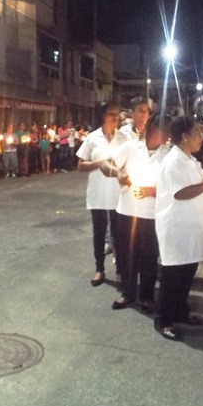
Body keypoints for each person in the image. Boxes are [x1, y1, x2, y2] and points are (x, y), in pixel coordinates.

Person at [154, 116, 203, 340]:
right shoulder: (173, 161)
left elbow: (201, 182)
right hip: (177, 227)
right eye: (197, 133)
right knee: (172, 277)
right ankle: (163, 320)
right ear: (184, 137)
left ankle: (180, 312)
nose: (201, 138)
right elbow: (180, 192)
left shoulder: (190, 160)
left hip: (191, 227)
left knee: (186, 274)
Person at [102, 112, 171, 314]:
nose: (169, 134)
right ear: (153, 128)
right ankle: (128, 292)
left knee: (149, 257)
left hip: (152, 215)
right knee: (127, 255)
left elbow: (173, 186)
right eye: (165, 129)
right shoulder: (131, 147)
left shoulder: (168, 154)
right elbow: (105, 163)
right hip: (127, 212)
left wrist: (153, 191)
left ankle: (147, 296)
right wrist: (118, 172)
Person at [76, 102, 123, 286]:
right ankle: (99, 269)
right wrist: (99, 163)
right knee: (99, 232)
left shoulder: (124, 138)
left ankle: (120, 269)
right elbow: (80, 166)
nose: (115, 117)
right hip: (97, 193)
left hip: (118, 193)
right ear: (103, 116)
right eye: (111, 113)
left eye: (117, 114)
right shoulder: (92, 138)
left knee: (119, 233)